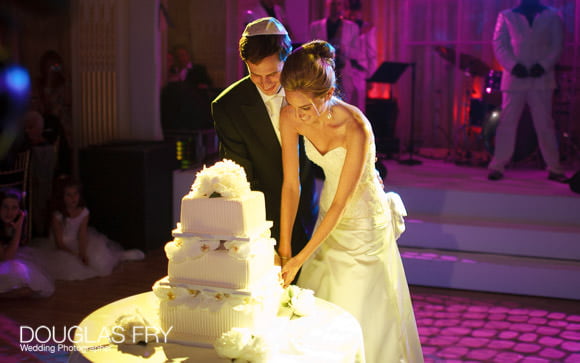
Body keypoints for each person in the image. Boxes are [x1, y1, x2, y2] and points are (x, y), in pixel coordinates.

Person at [278, 40, 423, 363]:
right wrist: (285, 250)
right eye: (291, 104)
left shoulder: (355, 126)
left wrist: (300, 258)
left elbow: (343, 205)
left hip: (361, 221)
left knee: (357, 306)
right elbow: (291, 185)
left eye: (306, 108)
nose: (298, 116)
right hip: (328, 213)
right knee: (323, 306)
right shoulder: (289, 115)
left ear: (328, 96)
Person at [212, 17, 318, 263]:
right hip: (264, 215)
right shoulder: (228, 106)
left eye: (272, 74)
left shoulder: (309, 88)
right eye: (254, 74)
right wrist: (257, 233)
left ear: (287, 60)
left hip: (310, 209)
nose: (265, 83)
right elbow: (239, 177)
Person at [488, 0, 567, 182]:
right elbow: (499, 44)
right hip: (515, 78)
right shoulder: (506, 16)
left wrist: (544, 65)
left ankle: (554, 167)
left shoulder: (552, 15)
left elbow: (557, 44)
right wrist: (513, 66)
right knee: (507, 122)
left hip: (542, 79)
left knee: (545, 123)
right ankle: (498, 165)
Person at [31, 177, 144, 280]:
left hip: (77, 242)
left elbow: (82, 234)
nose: (73, 198)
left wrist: (83, 252)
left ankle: (120, 256)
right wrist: (75, 254)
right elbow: (59, 243)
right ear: (62, 197)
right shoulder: (58, 216)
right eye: (68, 195)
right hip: (61, 247)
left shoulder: (83, 213)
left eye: (75, 194)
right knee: (70, 266)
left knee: (98, 258)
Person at [0, 188, 54, 298]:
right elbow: (6, 258)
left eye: (14, 208)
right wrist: (19, 228)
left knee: (30, 279)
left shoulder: (11, 224)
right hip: (3, 259)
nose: (9, 212)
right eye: (5, 207)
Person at [309, 0, 363, 105]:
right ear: (327, 5)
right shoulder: (315, 26)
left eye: (339, 4)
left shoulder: (352, 27)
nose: (336, 7)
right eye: (333, 4)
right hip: (323, 72)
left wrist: (344, 48)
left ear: (342, 7)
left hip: (343, 73)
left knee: (344, 106)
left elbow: (358, 53)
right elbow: (310, 50)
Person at [345, 0, 377, 112]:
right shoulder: (342, 26)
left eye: (355, 10)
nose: (352, 13)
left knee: (358, 108)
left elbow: (371, 53)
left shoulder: (367, 28)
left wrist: (371, 77)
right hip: (344, 69)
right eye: (349, 9)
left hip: (360, 71)